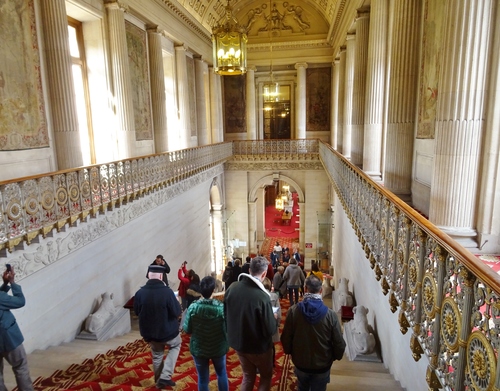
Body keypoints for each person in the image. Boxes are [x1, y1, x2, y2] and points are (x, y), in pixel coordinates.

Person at [281, 275, 346, 391]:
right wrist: (334, 357)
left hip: (301, 363)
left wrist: (290, 352)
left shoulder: (293, 311)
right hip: (322, 365)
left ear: (305, 289)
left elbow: (286, 338)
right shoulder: (330, 315)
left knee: (302, 388)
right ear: (321, 291)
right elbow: (339, 343)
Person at [224, 256, 276, 391]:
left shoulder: (232, 287)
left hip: (238, 343)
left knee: (248, 376)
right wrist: (273, 318)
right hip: (258, 347)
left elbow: (226, 314)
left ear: (249, 269)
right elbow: (270, 329)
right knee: (265, 376)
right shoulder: (262, 297)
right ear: (264, 274)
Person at [134, 265, 182, 388]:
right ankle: (165, 377)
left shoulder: (139, 293)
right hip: (167, 331)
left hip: (149, 333)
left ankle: (159, 382)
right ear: (161, 276)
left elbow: (137, 312)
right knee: (176, 345)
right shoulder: (167, 292)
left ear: (149, 276)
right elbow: (177, 312)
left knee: (157, 355)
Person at [183, 276, 229, 391]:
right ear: (213, 290)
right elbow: (228, 329)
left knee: (203, 378)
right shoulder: (221, 308)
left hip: (199, 347)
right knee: (222, 374)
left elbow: (187, 329)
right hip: (218, 347)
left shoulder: (193, 307)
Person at [0, 266, 34, 391]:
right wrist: (12, 282)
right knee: (20, 367)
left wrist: (4, 284)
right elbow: (20, 301)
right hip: (9, 339)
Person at [262, 277, 280, 367]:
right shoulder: (274, 296)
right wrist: (278, 323)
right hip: (272, 321)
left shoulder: (259, 295)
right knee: (271, 344)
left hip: (261, 323)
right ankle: (272, 362)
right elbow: (279, 312)